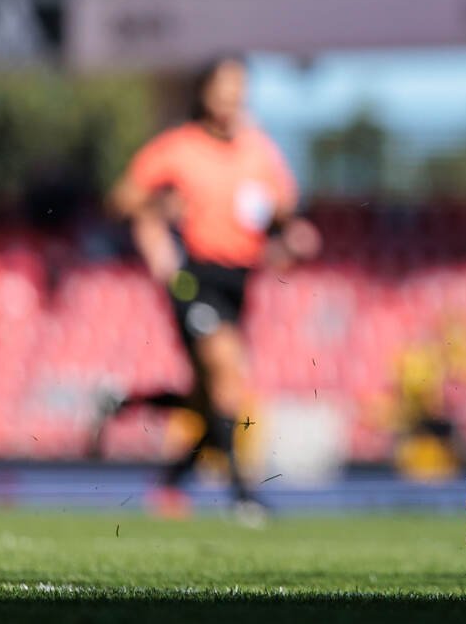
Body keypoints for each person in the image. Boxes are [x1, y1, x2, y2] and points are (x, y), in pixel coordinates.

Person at [100, 55, 317, 523]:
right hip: (192, 275)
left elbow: (283, 215)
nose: (231, 96)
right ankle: (242, 493)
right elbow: (123, 199)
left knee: (210, 398)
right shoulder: (178, 148)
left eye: (239, 86)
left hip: (239, 282)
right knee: (227, 375)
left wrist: (294, 237)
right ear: (204, 92)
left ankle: (139, 421)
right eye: (223, 86)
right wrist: (158, 216)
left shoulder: (259, 152)